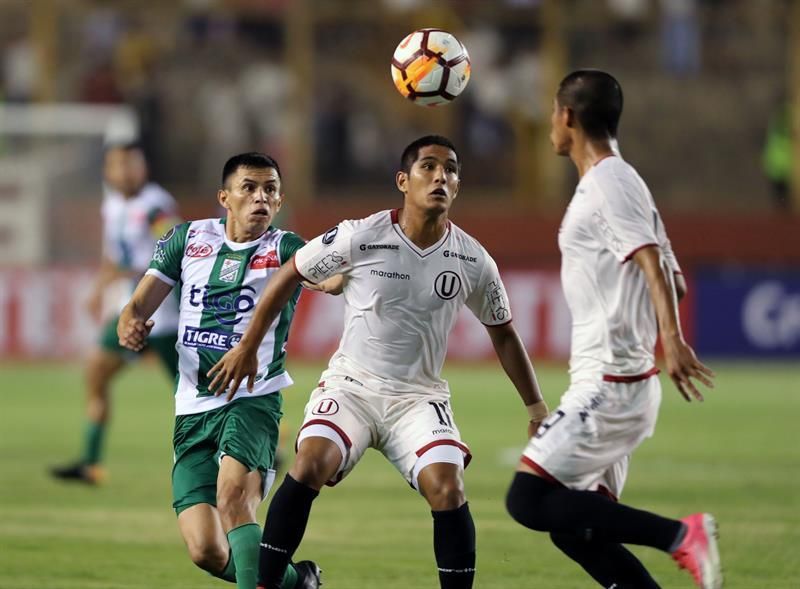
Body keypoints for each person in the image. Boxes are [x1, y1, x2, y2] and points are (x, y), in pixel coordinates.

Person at [207, 135, 550, 589]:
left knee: (448, 488)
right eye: (428, 167)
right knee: (310, 462)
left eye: (450, 170)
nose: (440, 177)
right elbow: (291, 273)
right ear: (403, 181)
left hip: (418, 396)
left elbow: (503, 332)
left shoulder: (473, 259)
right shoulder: (361, 235)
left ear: (458, 186)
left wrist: (536, 409)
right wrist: (248, 346)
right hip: (351, 386)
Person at [504, 70, 722, 589]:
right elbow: (675, 280)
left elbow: (650, 260)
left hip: (612, 383)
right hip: (611, 382)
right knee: (576, 527)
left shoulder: (607, 183)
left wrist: (670, 337)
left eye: (552, 113)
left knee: (528, 500)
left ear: (567, 117)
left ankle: (679, 535)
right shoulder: (625, 181)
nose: (550, 124)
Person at [116, 153, 322, 589]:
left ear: (279, 201)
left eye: (270, 190)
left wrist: (338, 271)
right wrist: (131, 323)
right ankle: (295, 582)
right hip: (192, 406)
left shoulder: (285, 249)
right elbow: (137, 305)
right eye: (249, 188)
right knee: (206, 551)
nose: (260, 198)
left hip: (252, 400)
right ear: (224, 198)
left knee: (233, 498)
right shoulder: (187, 239)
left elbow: (328, 275)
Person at [51, 142, 180, 485]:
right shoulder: (112, 206)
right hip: (130, 312)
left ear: (143, 169)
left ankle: (265, 447)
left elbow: (175, 250)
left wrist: (121, 274)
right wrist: (99, 288)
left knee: (200, 390)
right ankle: (91, 464)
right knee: (96, 371)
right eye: (116, 166)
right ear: (108, 171)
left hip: (165, 316)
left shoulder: (156, 207)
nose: (123, 172)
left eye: (130, 165)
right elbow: (113, 257)